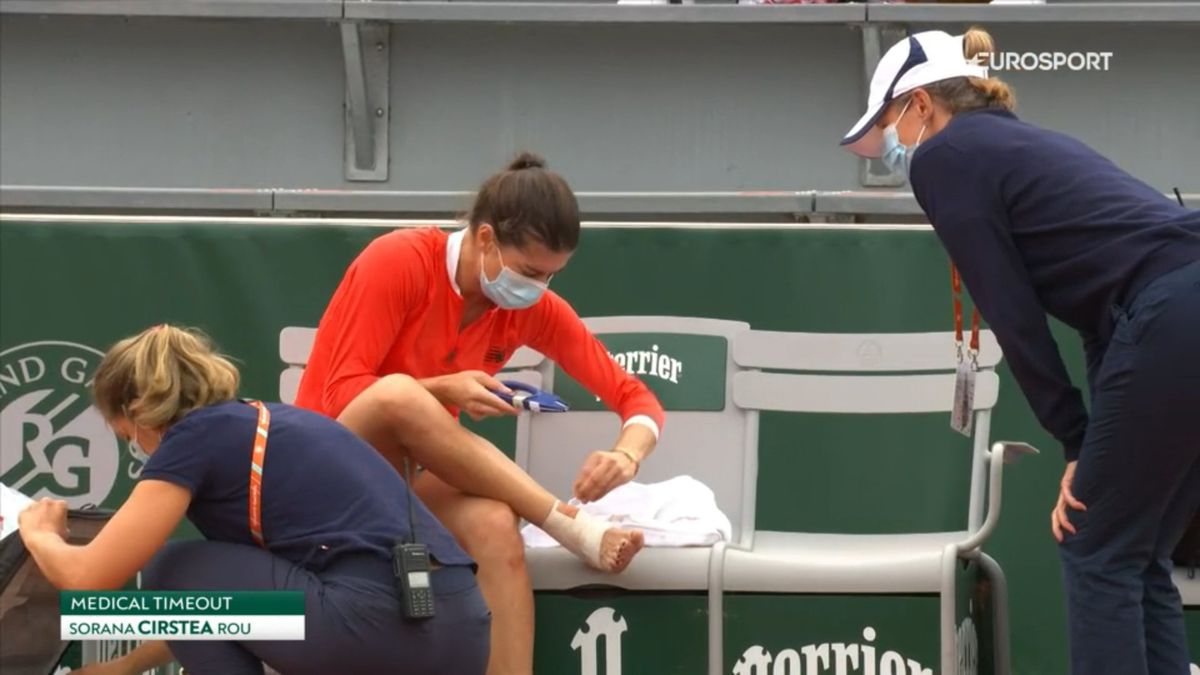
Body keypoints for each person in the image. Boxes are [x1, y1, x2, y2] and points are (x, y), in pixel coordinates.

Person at [840, 27, 1200, 675]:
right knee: (1136, 552)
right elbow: (1100, 315)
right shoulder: (1016, 140)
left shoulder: (943, 158)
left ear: (922, 105)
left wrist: (1073, 435)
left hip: (1172, 313)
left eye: (889, 119)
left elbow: (1013, 313)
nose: (887, 145)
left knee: (1095, 546)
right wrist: (1084, 443)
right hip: (1175, 310)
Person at [295, 152, 665, 675]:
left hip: (405, 481)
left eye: (552, 277)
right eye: (531, 272)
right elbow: (338, 400)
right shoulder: (398, 259)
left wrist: (627, 454)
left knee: (494, 523)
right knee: (399, 396)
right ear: (486, 238)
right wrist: (442, 387)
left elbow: (635, 396)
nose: (539, 289)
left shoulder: (531, 306)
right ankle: (568, 525)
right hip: (327, 472)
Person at [17, 325, 491, 675]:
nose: (137, 448)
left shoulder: (192, 437)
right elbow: (226, 609)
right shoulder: (279, 425)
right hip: (461, 633)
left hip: (372, 626)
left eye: (126, 437)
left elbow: (87, 578)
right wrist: (124, 667)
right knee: (189, 581)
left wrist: (37, 531)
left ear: (138, 412)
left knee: (169, 568)